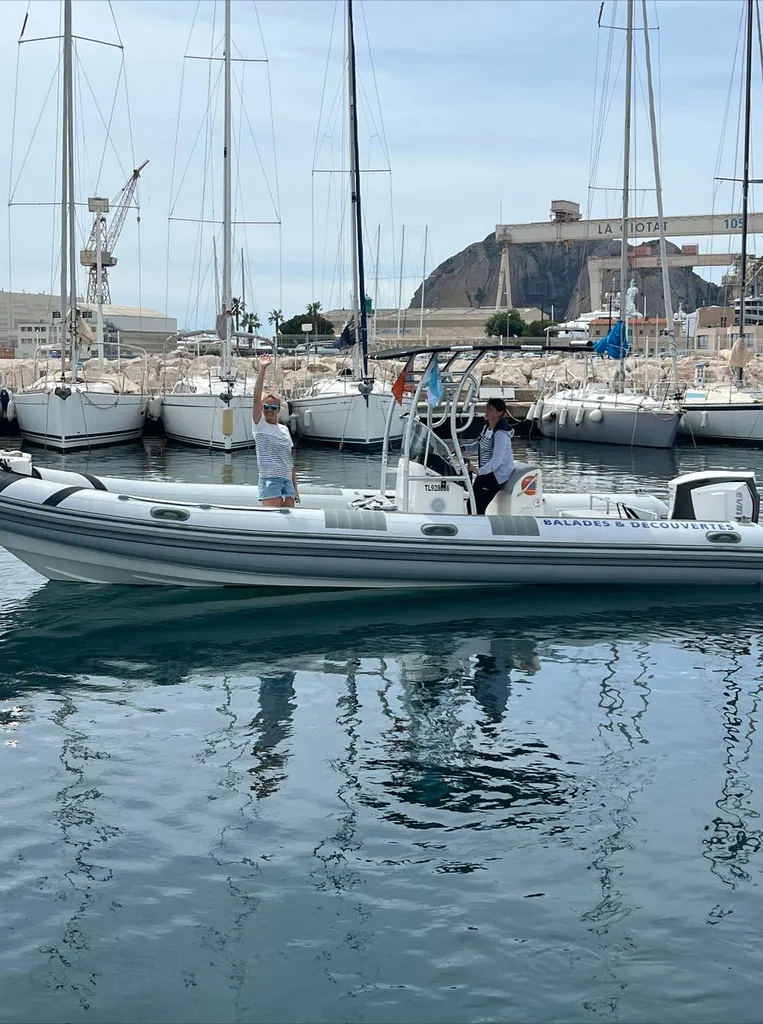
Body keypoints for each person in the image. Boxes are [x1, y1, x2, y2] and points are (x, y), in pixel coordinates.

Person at [252, 355, 299, 507]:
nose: (269, 410)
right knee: (273, 519)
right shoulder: (259, 425)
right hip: (270, 480)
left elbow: (289, 461)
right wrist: (263, 368)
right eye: (266, 407)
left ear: (279, 410)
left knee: (290, 520)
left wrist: (295, 488)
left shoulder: (284, 430)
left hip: (287, 481)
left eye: (273, 408)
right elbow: (256, 395)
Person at [464, 397, 515, 515]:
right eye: (486, 408)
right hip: (486, 472)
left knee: (478, 506)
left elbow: (497, 461)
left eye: (490, 409)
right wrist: (463, 448)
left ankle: (479, 529)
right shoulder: (487, 428)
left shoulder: (501, 434)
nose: (486, 411)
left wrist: (478, 470)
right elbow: (480, 443)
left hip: (496, 476)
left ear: (499, 413)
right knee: (470, 503)